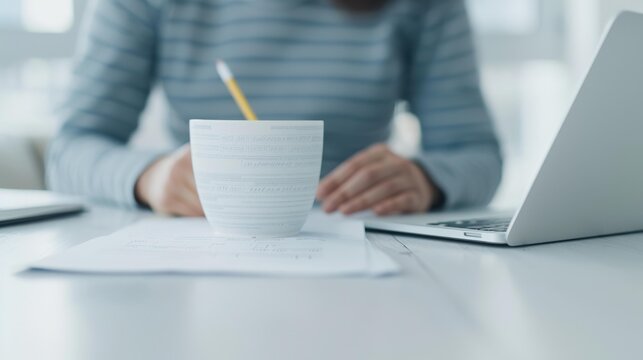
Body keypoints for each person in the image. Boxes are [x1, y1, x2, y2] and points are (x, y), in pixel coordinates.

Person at [47, 0, 502, 217]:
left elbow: (476, 154)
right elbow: (68, 152)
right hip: (198, 240)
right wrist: (151, 179)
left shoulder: (423, 7)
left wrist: (425, 181)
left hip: (364, 242)